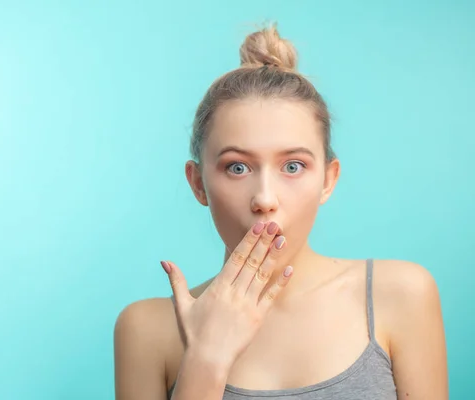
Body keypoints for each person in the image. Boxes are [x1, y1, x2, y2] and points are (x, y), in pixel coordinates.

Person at [113, 23, 448, 400]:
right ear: (197, 183)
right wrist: (206, 358)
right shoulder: (145, 330)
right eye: (237, 167)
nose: (265, 199)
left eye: (292, 166)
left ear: (328, 179)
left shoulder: (400, 294)